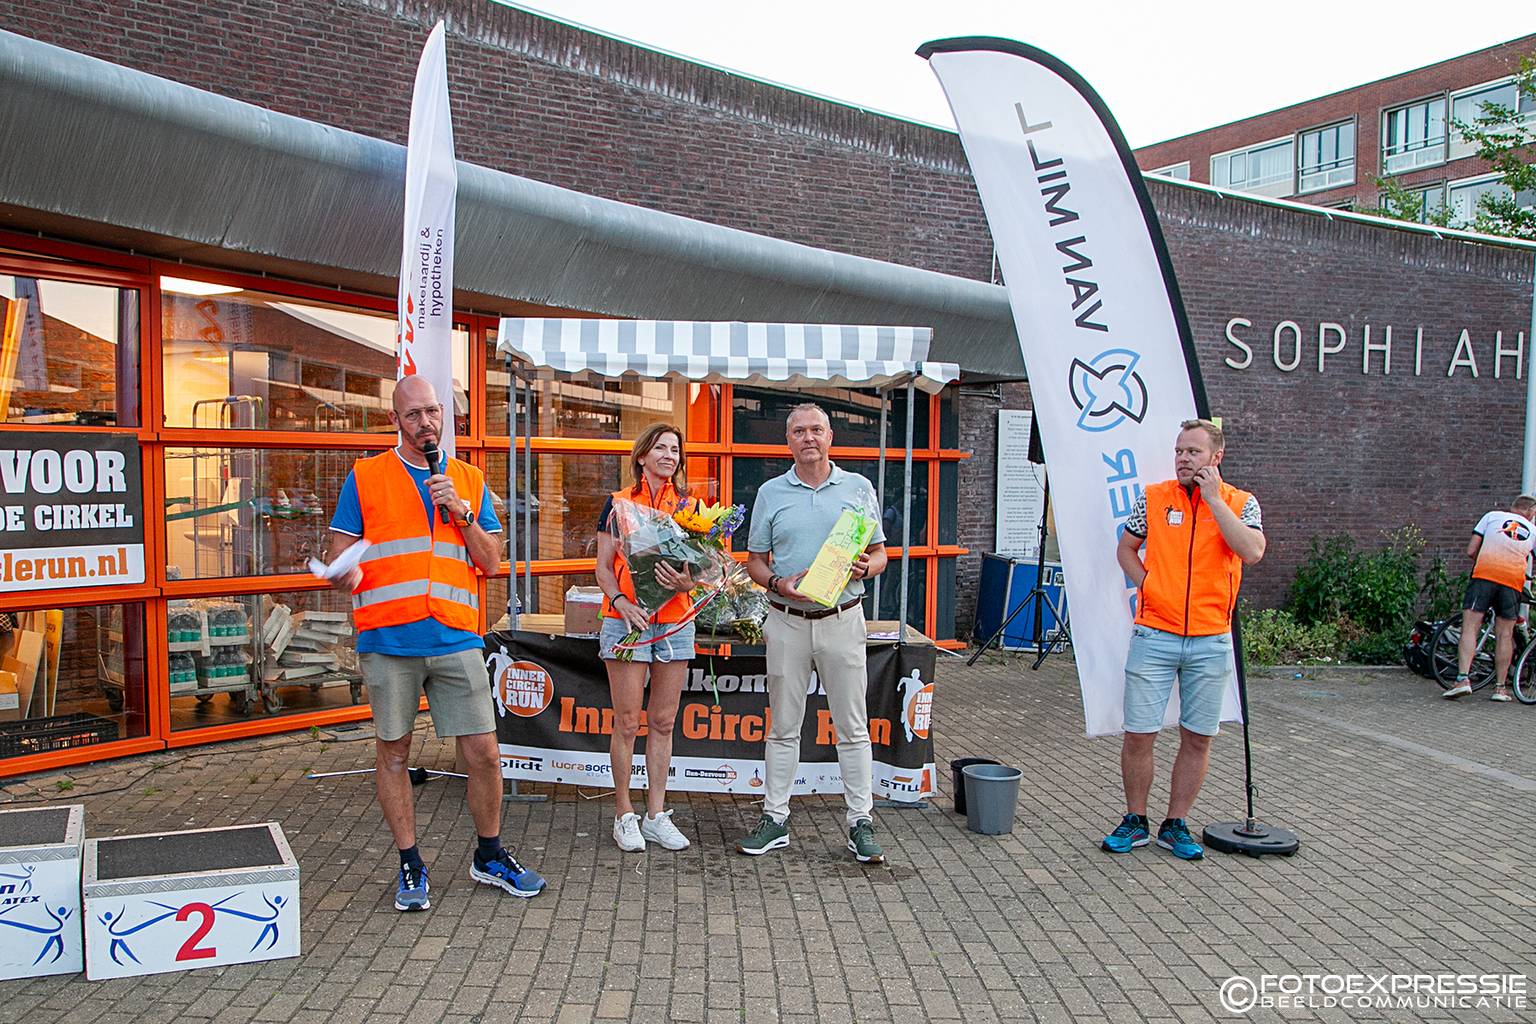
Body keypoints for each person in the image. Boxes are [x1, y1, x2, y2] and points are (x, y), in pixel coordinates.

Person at [329, 375, 544, 911]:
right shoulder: (366, 477)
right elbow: (339, 555)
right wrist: (344, 572)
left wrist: (462, 513)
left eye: (433, 412)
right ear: (395, 420)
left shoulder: (468, 479)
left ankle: (489, 855)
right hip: (388, 638)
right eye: (413, 414)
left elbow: (490, 562)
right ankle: (410, 862)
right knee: (394, 751)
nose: (425, 423)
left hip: (455, 636)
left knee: (485, 753)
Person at [1102, 418, 1265, 862]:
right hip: (1155, 633)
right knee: (1139, 733)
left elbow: (1251, 551)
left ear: (1216, 457)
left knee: (1198, 737)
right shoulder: (1154, 497)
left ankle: (1175, 823)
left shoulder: (1241, 503)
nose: (1183, 459)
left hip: (1210, 639)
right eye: (1179, 451)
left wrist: (1214, 501)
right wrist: (1149, 586)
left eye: (1193, 452)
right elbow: (1126, 548)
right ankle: (1135, 819)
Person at [738, 403, 889, 863]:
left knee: (852, 727)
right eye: (800, 431)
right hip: (787, 620)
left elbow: (880, 554)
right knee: (783, 726)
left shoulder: (858, 488)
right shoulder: (770, 493)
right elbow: (755, 561)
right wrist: (776, 583)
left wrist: (867, 566)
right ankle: (774, 818)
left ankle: (860, 822)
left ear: (830, 437)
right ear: (788, 441)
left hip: (842, 619)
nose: (809, 438)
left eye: (816, 430)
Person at [593, 423, 698, 853]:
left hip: (675, 622)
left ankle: (655, 815)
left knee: (664, 722)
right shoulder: (618, 503)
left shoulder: (690, 508)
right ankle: (624, 814)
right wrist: (621, 602)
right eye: (661, 448)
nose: (669, 455)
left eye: (675, 449)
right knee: (625, 722)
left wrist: (688, 580)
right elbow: (602, 568)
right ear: (641, 456)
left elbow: (704, 571)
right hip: (627, 621)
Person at [1442, 495, 1536, 702]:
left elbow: (1471, 550)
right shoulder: (1533, 530)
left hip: (1484, 577)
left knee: (1470, 628)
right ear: (1531, 512)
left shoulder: (1491, 516)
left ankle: (1462, 680)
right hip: (1512, 583)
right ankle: (1500, 689)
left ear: (1513, 508)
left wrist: (1487, 562)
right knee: (1505, 635)